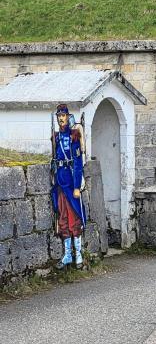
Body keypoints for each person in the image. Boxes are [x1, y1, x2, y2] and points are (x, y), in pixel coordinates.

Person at [50, 104, 87, 269]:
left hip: (71, 183)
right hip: (60, 183)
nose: (61, 118)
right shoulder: (56, 137)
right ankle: (67, 255)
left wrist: (77, 186)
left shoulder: (73, 136)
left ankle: (78, 254)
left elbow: (78, 163)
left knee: (74, 219)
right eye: (59, 116)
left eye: (63, 115)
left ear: (68, 116)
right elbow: (55, 159)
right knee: (63, 219)